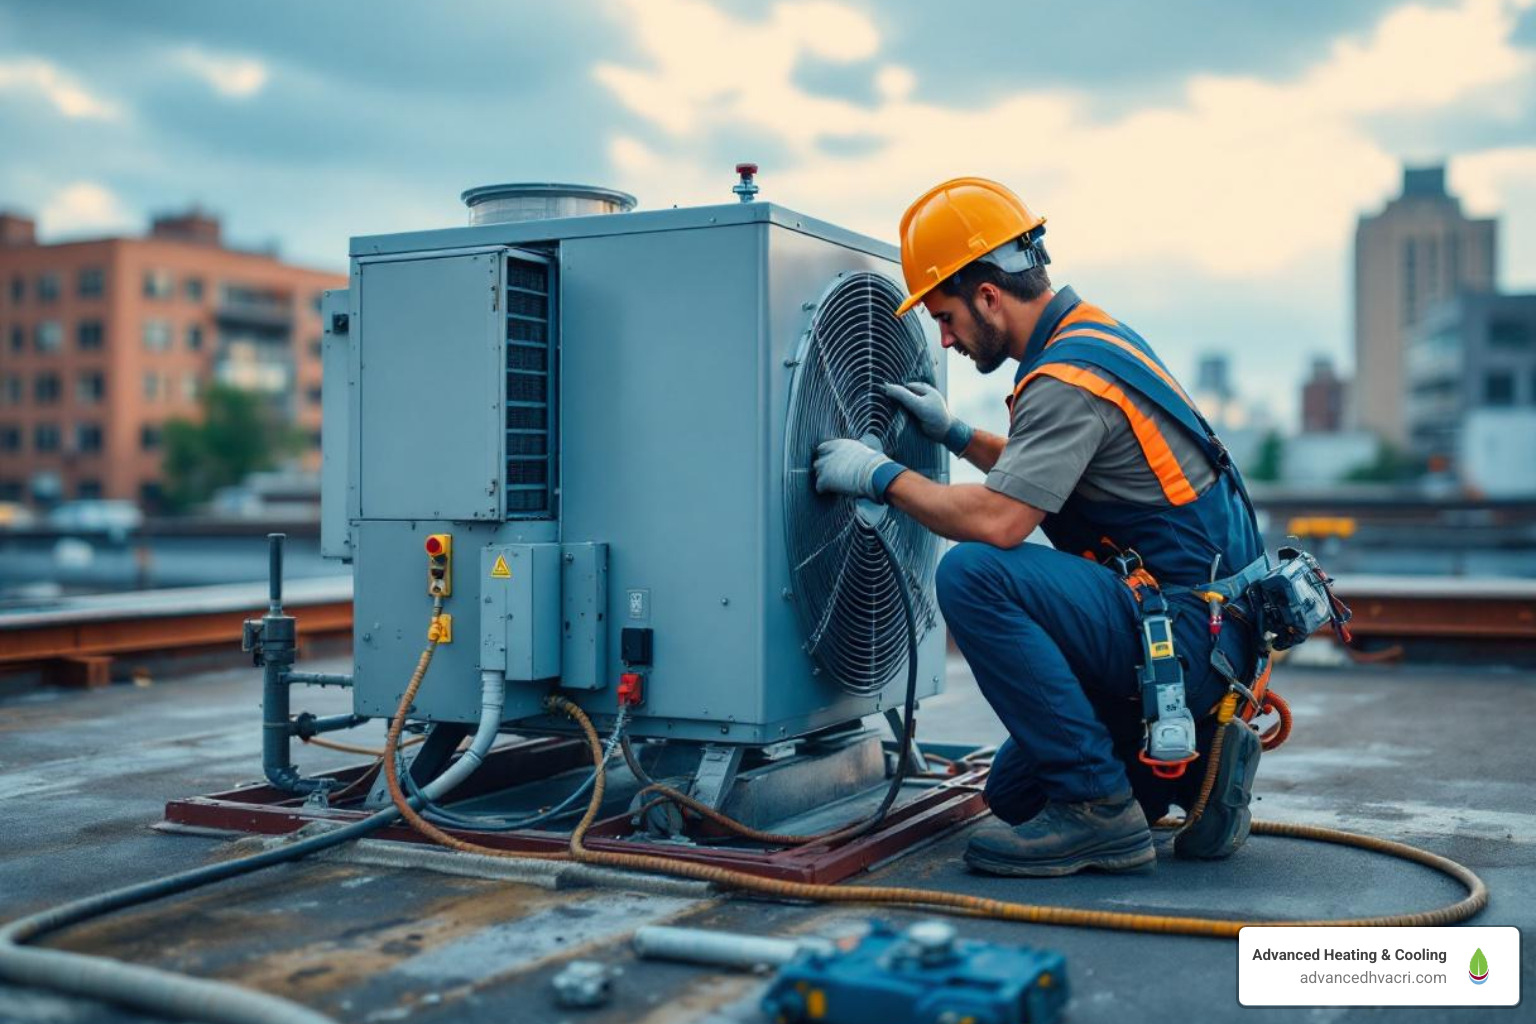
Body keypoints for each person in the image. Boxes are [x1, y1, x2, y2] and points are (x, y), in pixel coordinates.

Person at [813, 177, 1267, 877]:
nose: (945, 337)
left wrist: (879, 476)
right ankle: (1198, 762)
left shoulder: (1064, 380)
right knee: (1015, 795)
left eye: (946, 315)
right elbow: (1050, 473)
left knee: (972, 574)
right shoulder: (1092, 340)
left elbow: (1000, 520)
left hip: (1180, 634)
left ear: (988, 295)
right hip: (1209, 637)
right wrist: (959, 435)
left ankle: (1097, 810)